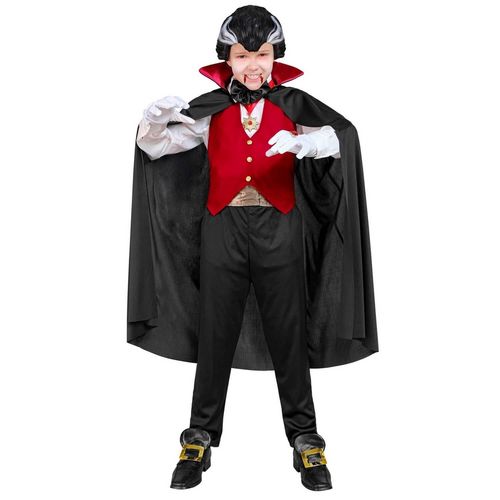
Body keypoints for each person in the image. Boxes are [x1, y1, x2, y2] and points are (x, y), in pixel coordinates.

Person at [128, 5, 379, 492]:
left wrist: (307, 144)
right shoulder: (210, 110)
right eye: (242, 55)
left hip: (279, 225)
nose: (253, 65)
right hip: (221, 226)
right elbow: (157, 149)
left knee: (289, 331)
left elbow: (340, 137)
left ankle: (305, 438)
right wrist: (154, 123)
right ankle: (199, 437)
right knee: (214, 332)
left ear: (275, 55)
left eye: (261, 54)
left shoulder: (294, 104)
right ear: (226, 59)